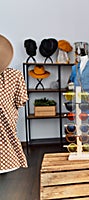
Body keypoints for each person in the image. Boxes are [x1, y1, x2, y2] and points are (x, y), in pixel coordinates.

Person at [0, 34, 28, 173]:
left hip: (7, 145)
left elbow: (20, 101)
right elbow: (20, 101)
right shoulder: (15, 76)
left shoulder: (14, 76)